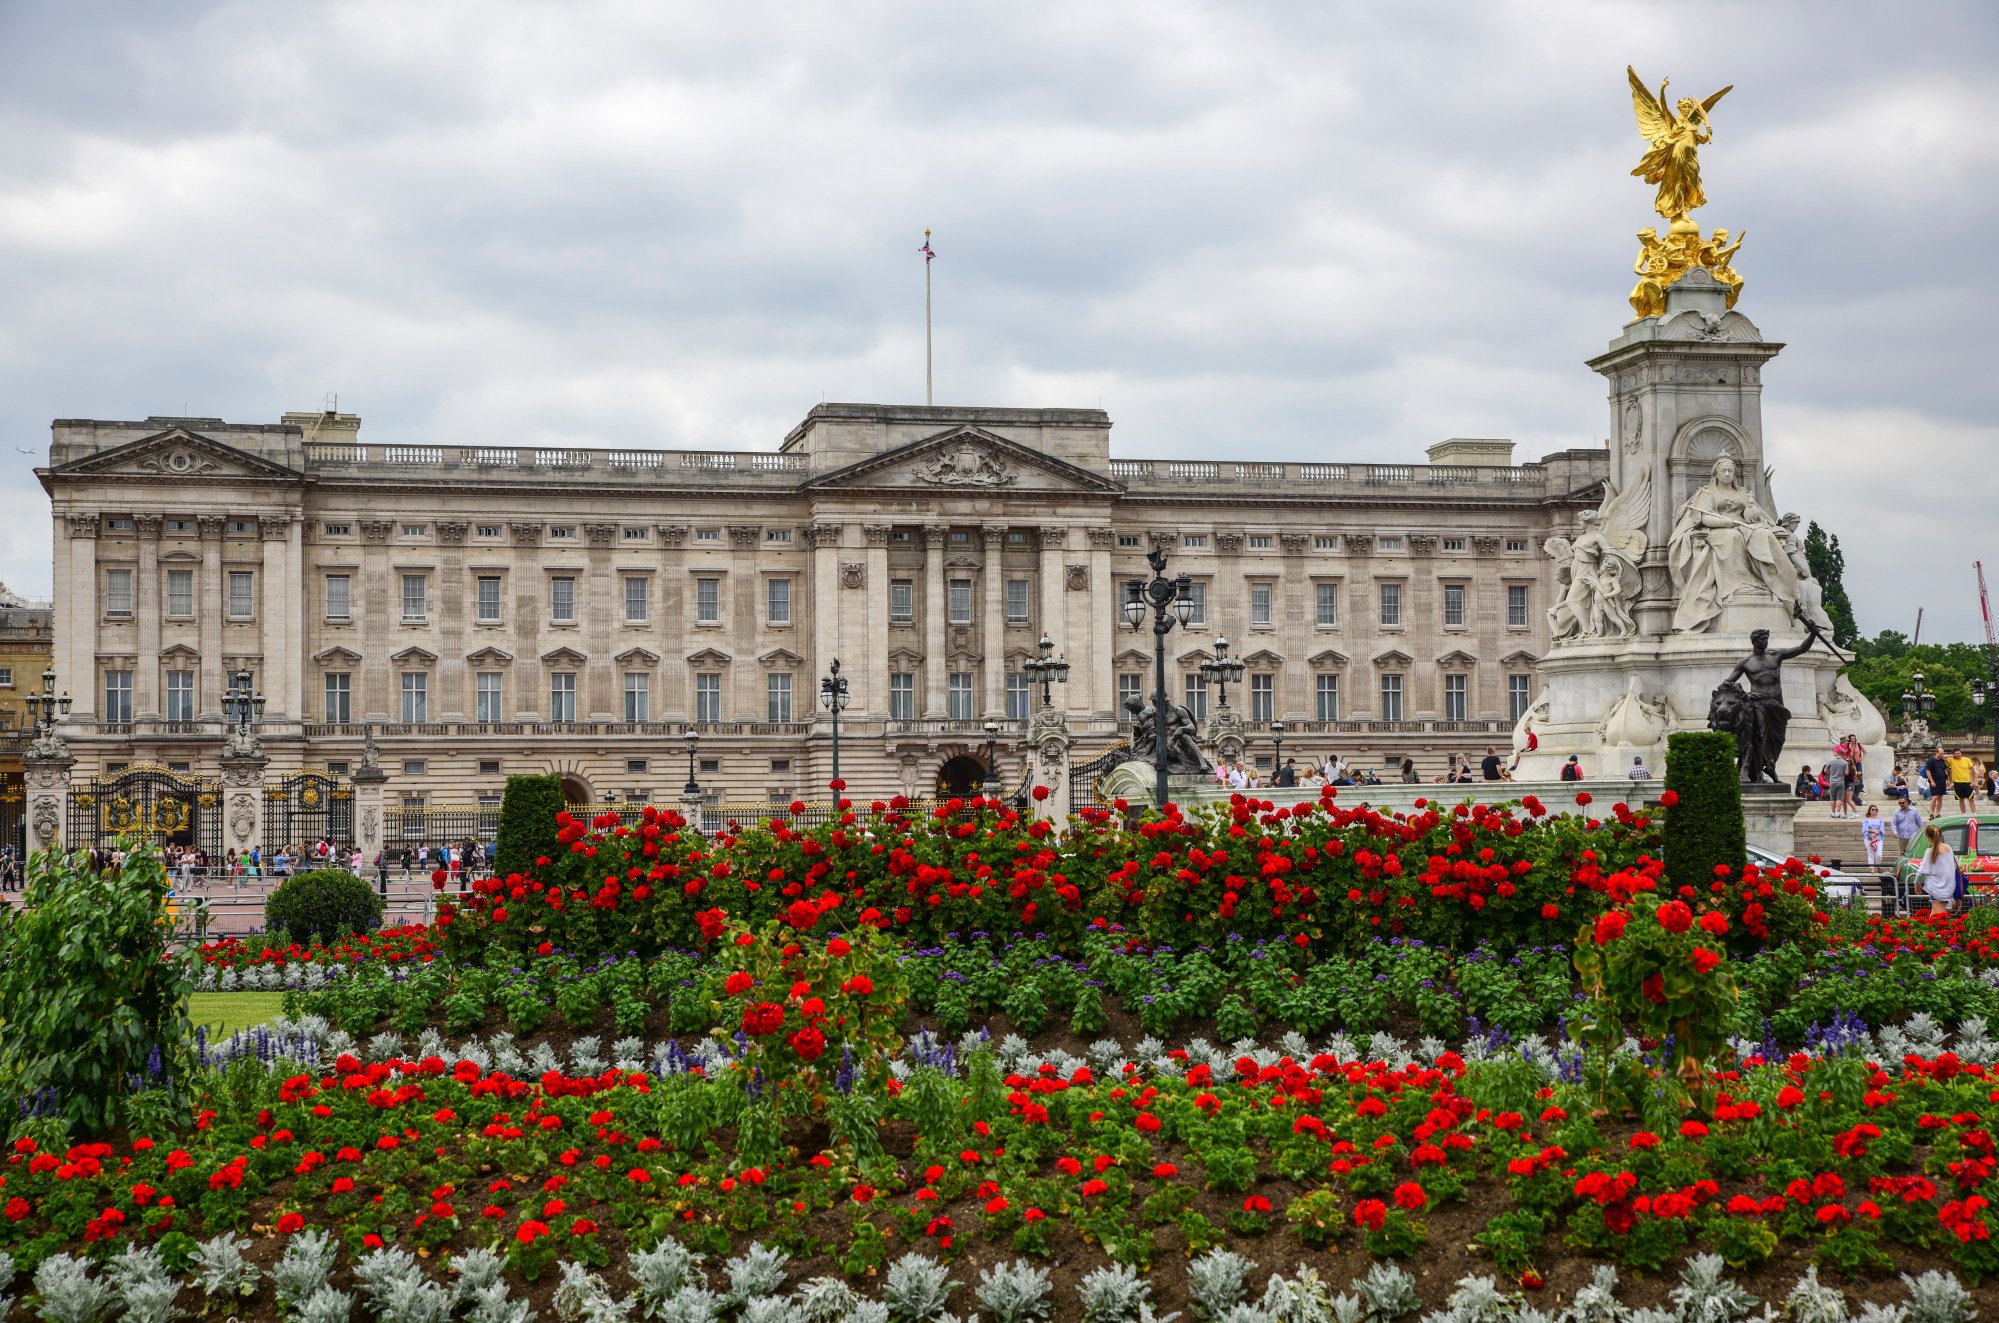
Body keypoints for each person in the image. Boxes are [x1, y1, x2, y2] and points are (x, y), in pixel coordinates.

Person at [1916, 823, 1959, 916]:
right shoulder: (1948, 847)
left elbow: (1921, 871)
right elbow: (1955, 865)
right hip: (1949, 887)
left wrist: (1916, 884)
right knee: (1933, 919)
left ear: (1927, 836)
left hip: (1937, 889)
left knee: (1941, 920)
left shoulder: (1930, 851)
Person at [1947, 747, 1977, 813]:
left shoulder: (1967, 759)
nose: (1958, 754)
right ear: (1953, 754)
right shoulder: (1951, 760)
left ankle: (1975, 813)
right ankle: (1963, 814)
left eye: (1959, 753)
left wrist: (1974, 781)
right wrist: (1952, 755)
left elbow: (1973, 770)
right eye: (1956, 753)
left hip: (1967, 782)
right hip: (1957, 783)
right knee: (1961, 799)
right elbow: (1942, 757)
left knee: (1971, 799)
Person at [1924, 747, 1950, 818]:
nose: (1942, 754)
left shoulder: (1942, 761)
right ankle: (1931, 814)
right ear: (1937, 752)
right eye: (1941, 753)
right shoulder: (1931, 761)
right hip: (1935, 782)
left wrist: (1947, 779)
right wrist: (1932, 781)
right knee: (1934, 797)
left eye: (1943, 753)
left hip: (1942, 781)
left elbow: (1945, 770)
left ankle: (1938, 813)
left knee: (1940, 798)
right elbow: (1927, 771)